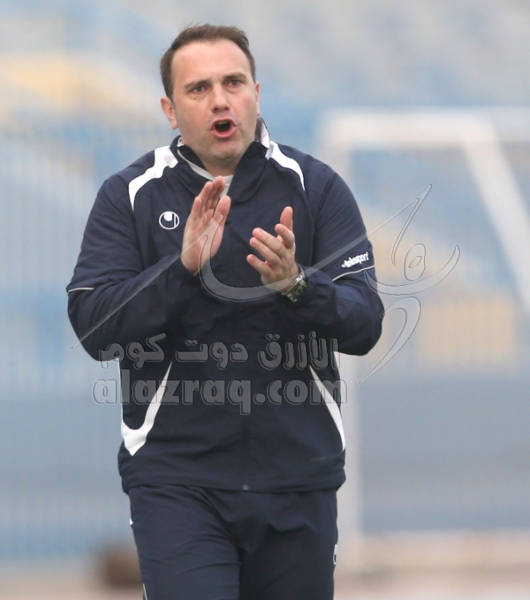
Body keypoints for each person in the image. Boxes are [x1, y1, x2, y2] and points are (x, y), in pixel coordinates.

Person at [67, 24, 383, 600]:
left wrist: (297, 285)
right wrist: (182, 268)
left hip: (298, 478)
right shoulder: (130, 195)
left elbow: (365, 323)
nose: (220, 99)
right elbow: (94, 325)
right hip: (175, 483)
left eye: (233, 82)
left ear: (256, 93)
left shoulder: (316, 188)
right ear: (170, 109)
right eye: (199, 88)